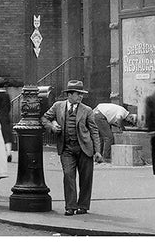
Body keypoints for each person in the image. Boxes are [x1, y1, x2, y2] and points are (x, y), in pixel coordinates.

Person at [41, 80, 102, 216]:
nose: (80, 97)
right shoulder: (58, 106)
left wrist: (98, 151)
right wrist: (52, 126)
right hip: (66, 148)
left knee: (86, 178)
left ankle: (83, 206)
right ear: (69, 94)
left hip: (85, 148)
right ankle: (70, 206)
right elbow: (44, 119)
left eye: (81, 94)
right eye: (78, 94)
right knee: (68, 175)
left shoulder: (87, 110)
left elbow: (94, 131)